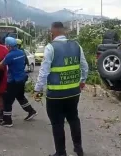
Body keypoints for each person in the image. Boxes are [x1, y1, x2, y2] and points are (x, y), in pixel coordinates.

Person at [34, 22, 89, 156]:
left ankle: (61, 153)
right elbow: (84, 66)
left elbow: (44, 71)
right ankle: (78, 148)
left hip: (55, 95)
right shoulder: (77, 46)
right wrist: (82, 80)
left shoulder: (50, 47)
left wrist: (38, 89)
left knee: (57, 124)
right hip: (73, 92)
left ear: (52, 32)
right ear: (64, 31)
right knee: (74, 119)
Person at [0, 37, 37, 127]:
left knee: (7, 100)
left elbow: (1, 66)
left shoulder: (10, 55)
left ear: (8, 46)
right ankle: (31, 111)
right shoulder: (21, 52)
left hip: (13, 81)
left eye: (6, 45)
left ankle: (8, 121)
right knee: (20, 97)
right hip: (22, 79)